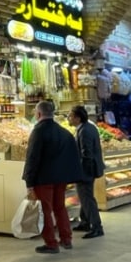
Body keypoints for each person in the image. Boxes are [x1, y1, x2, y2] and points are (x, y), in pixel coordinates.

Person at [22, 101, 84, 254]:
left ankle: (51, 243)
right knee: (60, 208)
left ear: (38, 114)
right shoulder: (64, 132)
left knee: (45, 210)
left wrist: (29, 181)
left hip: (44, 179)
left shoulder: (39, 131)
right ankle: (66, 239)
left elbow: (32, 157)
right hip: (60, 179)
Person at [68, 105, 105, 239]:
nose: (69, 118)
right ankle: (85, 222)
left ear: (77, 118)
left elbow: (86, 154)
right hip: (90, 169)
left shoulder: (84, 131)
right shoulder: (88, 127)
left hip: (87, 170)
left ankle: (96, 227)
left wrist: (82, 173)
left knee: (87, 198)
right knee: (85, 196)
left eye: (71, 116)